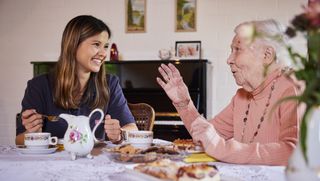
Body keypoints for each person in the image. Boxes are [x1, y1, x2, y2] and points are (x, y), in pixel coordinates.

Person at [157, 19, 300, 166]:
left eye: (237, 50)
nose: (229, 59)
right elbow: (207, 137)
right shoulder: (241, 97)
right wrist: (184, 104)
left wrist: (222, 148)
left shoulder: (294, 89)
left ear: (267, 55)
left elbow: (293, 152)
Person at [16, 15, 138, 145]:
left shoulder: (110, 84)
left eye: (105, 46)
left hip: (93, 162)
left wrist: (120, 134)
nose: (103, 53)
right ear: (73, 45)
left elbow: (132, 129)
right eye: (97, 44)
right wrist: (31, 133)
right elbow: (19, 140)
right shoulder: (39, 86)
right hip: (52, 163)